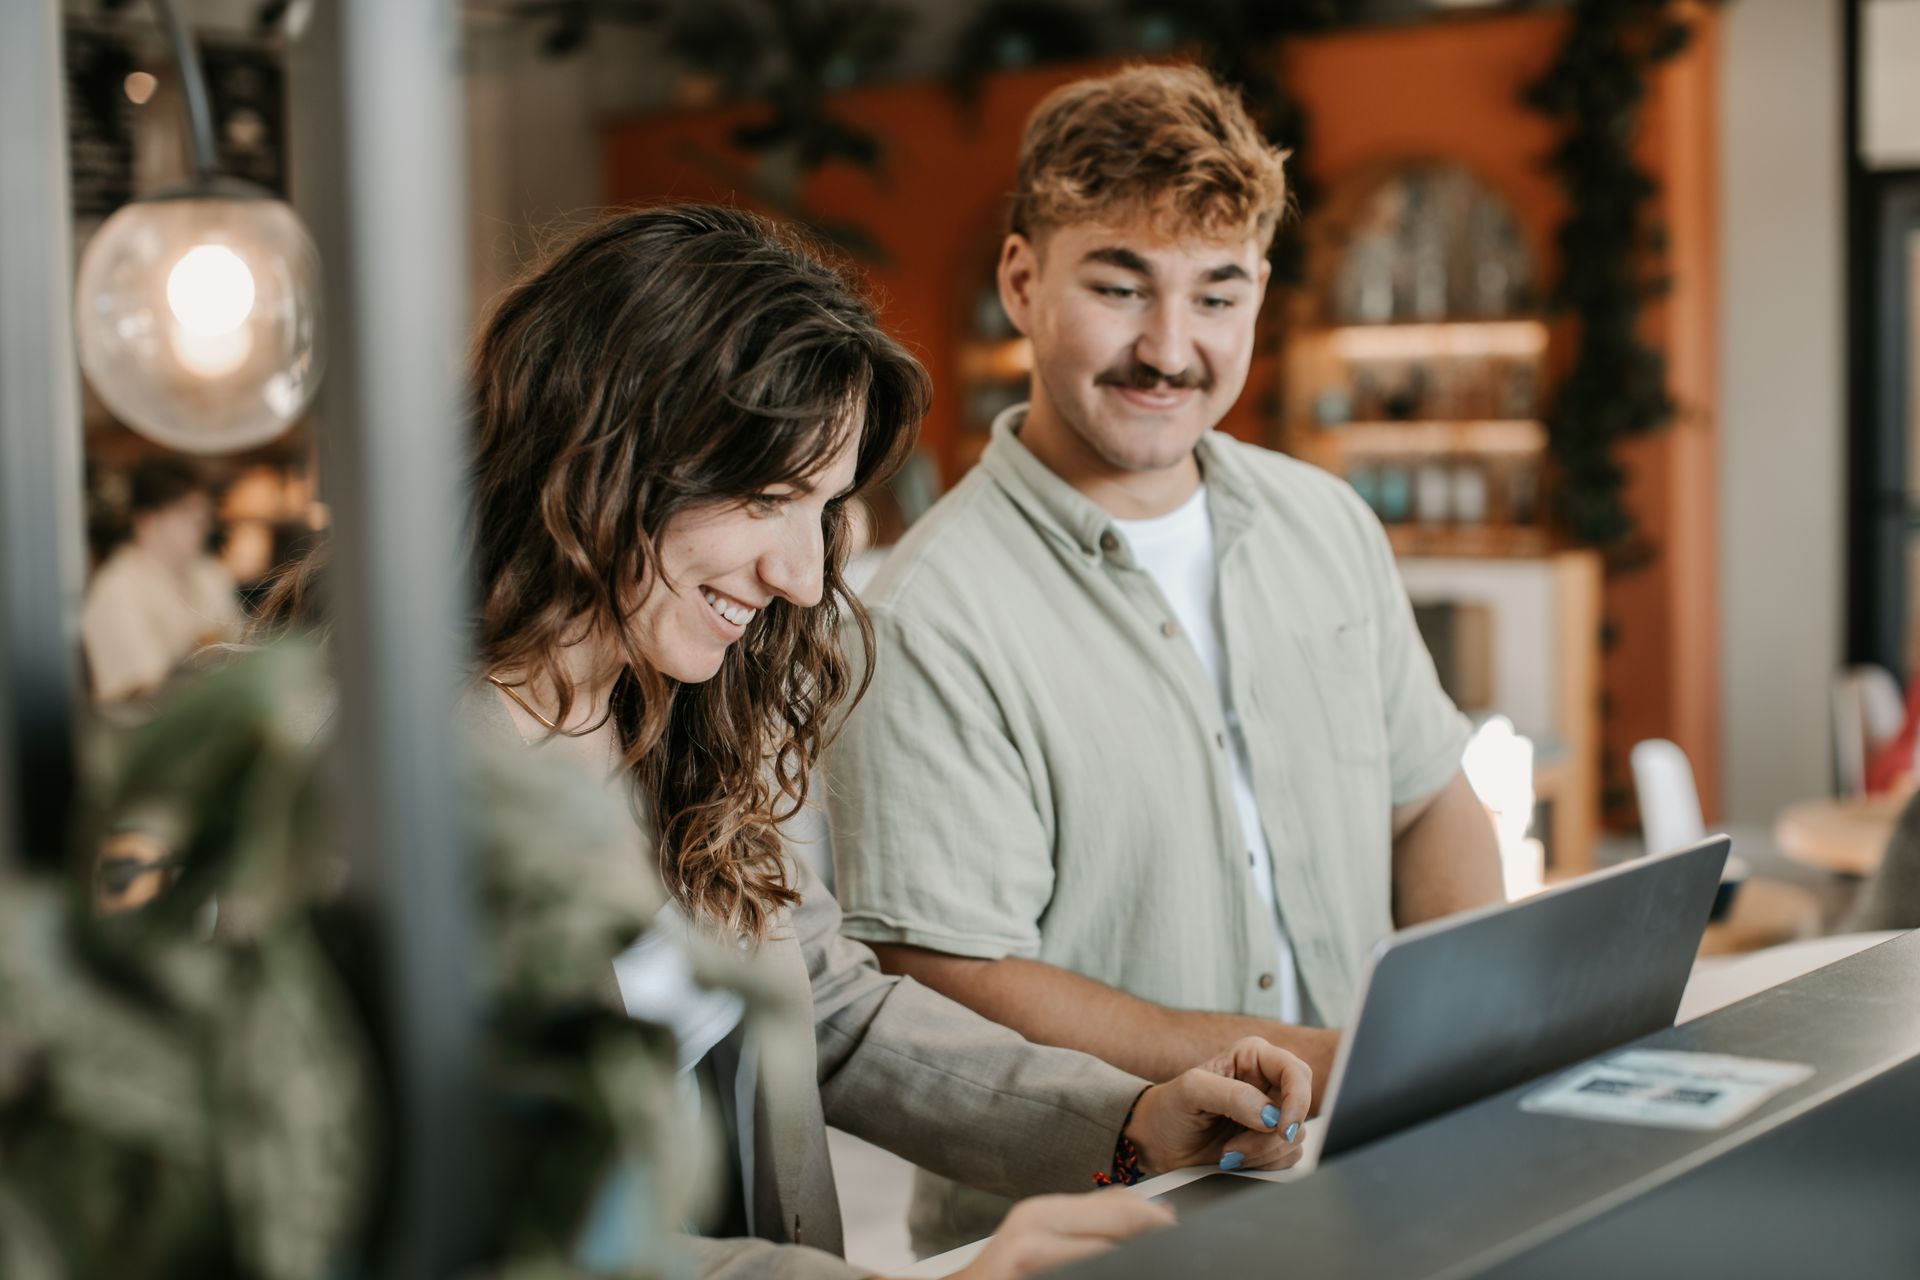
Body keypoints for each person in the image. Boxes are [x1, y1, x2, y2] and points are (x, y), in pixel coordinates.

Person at [258, 204, 1311, 1279]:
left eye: (821, 510)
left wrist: (1127, 1121)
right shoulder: (370, 782)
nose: (803, 576)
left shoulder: (669, 710)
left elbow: (831, 1012)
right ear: (599, 457)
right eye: (766, 499)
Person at [824, 64, 1505, 1254]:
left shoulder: (1325, 524)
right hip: (1100, 1225)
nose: (1170, 348)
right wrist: (1323, 1064)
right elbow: (951, 979)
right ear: (1024, 281)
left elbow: (1429, 800)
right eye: (1120, 284)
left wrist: (1463, 1026)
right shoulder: (928, 613)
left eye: (1217, 293)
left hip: (1370, 1177)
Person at [81, 457, 241, 702]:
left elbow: (241, 648)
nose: (200, 523)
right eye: (184, 512)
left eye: (203, 512)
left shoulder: (209, 574)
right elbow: (140, 693)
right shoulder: (116, 590)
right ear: (145, 521)